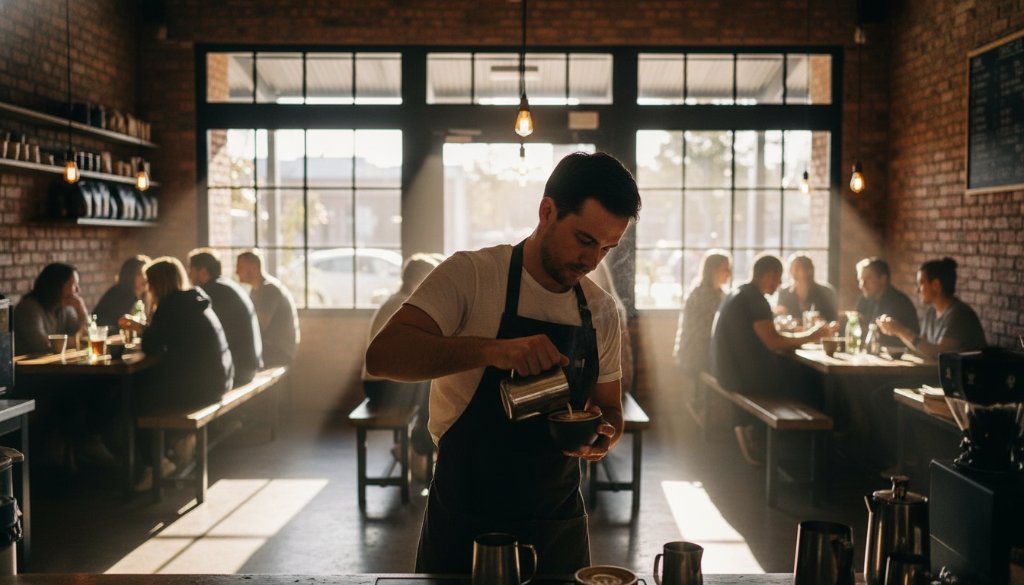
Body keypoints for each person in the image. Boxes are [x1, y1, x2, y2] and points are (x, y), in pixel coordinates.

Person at [365, 152, 641, 574]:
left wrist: (603, 435)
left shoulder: (600, 310)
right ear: (547, 210)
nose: (592, 261)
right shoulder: (472, 276)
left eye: (607, 248)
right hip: (465, 512)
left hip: (556, 519)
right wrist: (495, 349)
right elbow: (384, 355)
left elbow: (610, 408)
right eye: (585, 240)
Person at [710, 254, 837, 464]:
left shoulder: (739, 292)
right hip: (742, 377)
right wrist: (814, 335)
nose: (779, 285)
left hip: (726, 370)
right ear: (769, 275)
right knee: (812, 381)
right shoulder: (755, 299)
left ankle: (799, 446)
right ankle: (812, 454)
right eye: (778, 279)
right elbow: (774, 342)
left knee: (799, 375)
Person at [121, 257, 234, 489]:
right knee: (147, 387)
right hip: (219, 380)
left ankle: (156, 464)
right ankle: (173, 445)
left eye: (150, 283)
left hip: (203, 387)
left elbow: (151, 346)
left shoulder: (170, 305)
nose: (147, 288)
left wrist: (150, 316)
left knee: (134, 399)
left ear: (157, 284)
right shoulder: (192, 300)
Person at [876, 257, 986, 358]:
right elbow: (921, 347)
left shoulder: (959, 315)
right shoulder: (932, 312)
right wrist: (897, 331)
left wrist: (901, 330)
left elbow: (939, 354)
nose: (917, 290)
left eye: (921, 284)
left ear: (936, 285)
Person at [188, 248, 263, 386]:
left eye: (191, 270)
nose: (188, 274)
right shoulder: (226, 285)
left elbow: (198, 332)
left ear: (203, 271)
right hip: (249, 365)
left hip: (239, 370)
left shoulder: (210, 292)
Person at [236, 250, 300, 367]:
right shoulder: (255, 291)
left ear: (254, 268)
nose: (236, 272)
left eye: (240, 267)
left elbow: (260, 326)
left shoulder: (269, 289)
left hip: (279, 350)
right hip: (270, 346)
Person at [674, 250, 731, 376]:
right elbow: (710, 330)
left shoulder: (719, 293)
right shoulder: (701, 294)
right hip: (696, 353)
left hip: (705, 349)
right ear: (713, 271)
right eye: (725, 269)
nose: (729, 273)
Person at [13, 262, 88, 354]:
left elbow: (87, 337)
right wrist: (77, 341)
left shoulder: (64, 308)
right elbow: (44, 346)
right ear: (56, 285)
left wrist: (82, 311)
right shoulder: (28, 308)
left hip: (51, 366)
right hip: (26, 367)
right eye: (74, 285)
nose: (78, 290)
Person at [854, 257, 918, 347]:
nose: (862, 284)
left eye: (868, 278)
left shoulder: (899, 303)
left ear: (883, 279)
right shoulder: (864, 300)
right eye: (860, 279)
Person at [775, 253, 838, 323]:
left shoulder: (826, 291)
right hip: (792, 333)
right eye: (791, 268)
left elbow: (832, 319)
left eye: (798, 268)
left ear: (809, 270)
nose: (793, 271)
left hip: (820, 332)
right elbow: (779, 319)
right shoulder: (784, 292)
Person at [93, 255, 151, 328]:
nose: (145, 278)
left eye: (146, 274)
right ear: (130, 275)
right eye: (139, 274)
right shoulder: (121, 294)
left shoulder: (143, 297)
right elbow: (120, 323)